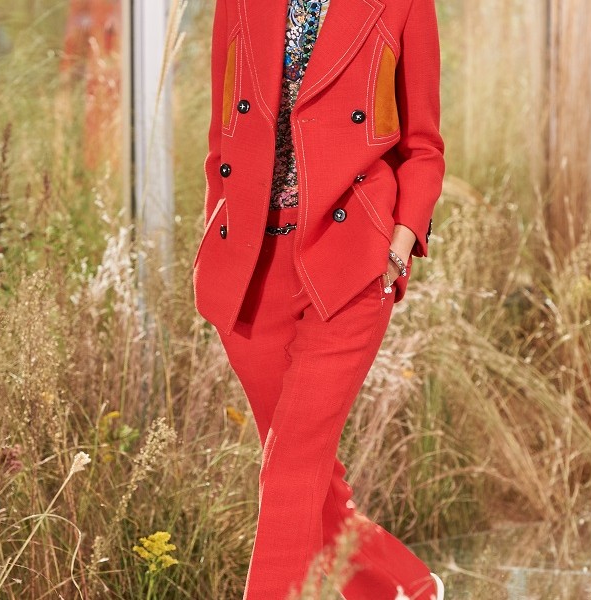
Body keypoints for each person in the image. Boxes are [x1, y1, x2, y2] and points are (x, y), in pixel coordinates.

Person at [192, 0, 446, 598]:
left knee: (289, 469)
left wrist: (400, 245)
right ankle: (407, 590)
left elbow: (424, 146)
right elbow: (224, 134)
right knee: (308, 475)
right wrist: (220, 243)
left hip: (350, 260)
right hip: (252, 266)